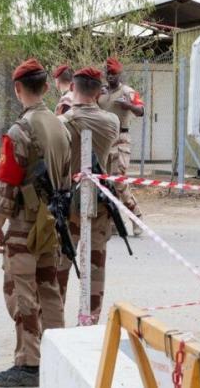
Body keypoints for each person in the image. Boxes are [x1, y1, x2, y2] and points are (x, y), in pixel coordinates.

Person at [0, 58, 71, 387]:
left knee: (21, 290)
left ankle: (29, 364)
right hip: (53, 219)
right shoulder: (60, 126)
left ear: (18, 89)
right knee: (49, 288)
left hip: (26, 221)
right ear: (47, 88)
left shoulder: (19, 130)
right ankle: (57, 357)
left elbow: (8, 186)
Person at [56, 67, 120, 324]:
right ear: (98, 91)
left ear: (72, 87)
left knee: (60, 262)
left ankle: (53, 318)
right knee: (95, 263)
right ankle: (90, 319)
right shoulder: (111, 122)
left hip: (68, 198)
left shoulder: (62, 122)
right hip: (100, 199)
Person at [97, 56, 145, 236]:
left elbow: (141, 111)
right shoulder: (100, 93)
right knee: (105, 183)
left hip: (121, 140)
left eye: (114, 74)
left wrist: (129, 105)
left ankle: (136, 216)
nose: (110, 77)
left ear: (120, 74)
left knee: (118, 180)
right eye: (108, 74)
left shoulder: (127, 92)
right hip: (103, 141)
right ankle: (114, 223)